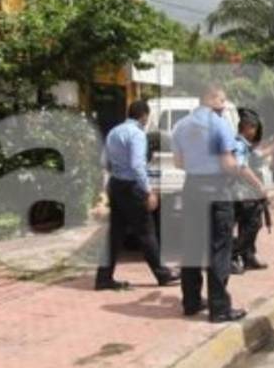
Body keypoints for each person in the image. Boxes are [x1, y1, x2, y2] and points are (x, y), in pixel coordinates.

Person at [173, 84, 246, 323]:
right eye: (222, 100)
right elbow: (227, 163)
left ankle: (191, 301)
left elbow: (179, 163)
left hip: (192, 188)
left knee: (192, 247)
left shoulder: (181, 126)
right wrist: (238, 168)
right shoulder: (219, 124)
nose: (224, 105)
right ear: (210, 98)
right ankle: (220, 308)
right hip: (216, 190)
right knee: (219, 249)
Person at [94, 100, 175, 291]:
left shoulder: (114, 132)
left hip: (117, 185)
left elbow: (104, 161)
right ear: (144, 115)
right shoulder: (137, 134)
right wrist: (148, 191)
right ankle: (163, 274)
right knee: (146, 231)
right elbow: (138, 165)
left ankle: (103, 278)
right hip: (132, 187)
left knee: (115, 234)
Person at [230, 109, 274, 273]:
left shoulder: (244, 145)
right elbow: (242, 167)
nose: (255, 132)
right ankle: (231, 255)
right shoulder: (239, 144)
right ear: (247, 127)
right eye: (253, 127)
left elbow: (258, 156)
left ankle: (248, 256)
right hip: (243, 192)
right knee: (252, 224)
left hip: (247, 192)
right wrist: (259, 186)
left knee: (250, 223)